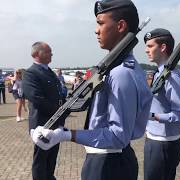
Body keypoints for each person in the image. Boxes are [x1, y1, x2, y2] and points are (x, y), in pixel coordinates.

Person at [31, 1, 153, 180]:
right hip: (105, 159)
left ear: (120, 26)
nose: (97, 30)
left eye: (101, 23)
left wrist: (66, 135)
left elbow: (118, 136)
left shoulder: (121, 73)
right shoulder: (116, 68)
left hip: (109, 164)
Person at [143, 28, 180, 180]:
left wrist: (152, 116)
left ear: (163, 47)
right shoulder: (160, 73)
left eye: (150, 46)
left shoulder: (171, 77)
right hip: (156, 141)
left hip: (162, 145)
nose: (146, 50)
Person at [22, 41, 65, 180]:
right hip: (42, 123)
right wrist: (59, 109)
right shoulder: (31, 73)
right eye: (47, 51)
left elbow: (58, 93)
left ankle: (49, 176)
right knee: (41, 158)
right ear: (35, 54)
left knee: (52, 155)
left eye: (51, 51)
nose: (51, 54)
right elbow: (36, 98)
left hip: (56, 122)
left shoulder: (49, 71)